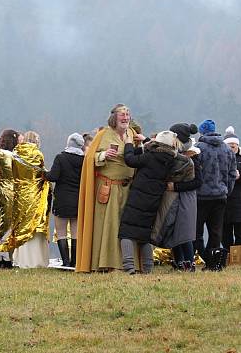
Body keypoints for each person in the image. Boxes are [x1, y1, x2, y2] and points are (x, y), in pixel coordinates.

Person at [76, 103, 142, 272]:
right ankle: (106, 263)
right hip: (109, 188)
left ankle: (128, 263)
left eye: (128, 115)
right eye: (122, 115)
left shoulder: (132, 134)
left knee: (127, 226)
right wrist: (103, 155)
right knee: (109, 226)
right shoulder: (103, 135)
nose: (126, 118)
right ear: (114, 117)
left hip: (128, 189)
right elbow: (90, 157)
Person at [118, 130, 178, 274]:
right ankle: (148, 268)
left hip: (138, 197)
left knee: (127, 232)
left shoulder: (151, 157)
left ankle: (129, 266)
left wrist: (128, 145)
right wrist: (146, 142)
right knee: (145, 235)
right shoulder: (171, 160)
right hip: (154, 200)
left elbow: (130, 160)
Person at [152, 124, 202, 271]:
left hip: (185, 198)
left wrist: (176, 186)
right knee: (172, 230)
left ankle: (188, 262)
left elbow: (197, 181)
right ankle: (179, 261)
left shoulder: (192, 156)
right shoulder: (172, 155)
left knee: (184, 232)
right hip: (173, 197)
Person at [195, 118, 237, 271]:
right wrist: (227, 190)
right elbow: (232, 174)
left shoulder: (198, 148)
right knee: (215, 232)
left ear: (202, 132)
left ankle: (203, 257)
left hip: (201, 197)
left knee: (196, 231)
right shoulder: (227, 149)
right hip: (220, 196)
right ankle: (213, 262)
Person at [4, 131, 50, 269]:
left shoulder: (15, 154)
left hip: (20, 194)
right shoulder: (37, 154)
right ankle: (37, 260)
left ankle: (21, 259)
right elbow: (42, 173)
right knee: (35, 227)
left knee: (22, 226)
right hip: (35, 194)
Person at [45, 132, 85, 268]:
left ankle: (65, 262)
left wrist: (44, 173)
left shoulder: (61, 158)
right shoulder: (84, 159)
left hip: (62, 199)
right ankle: (75, 261)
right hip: (78, 199)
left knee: (61, 232)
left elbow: (53, 176)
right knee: (75, 232)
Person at [0, 128, 19, 268]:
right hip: (8, 191)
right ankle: (3, 255)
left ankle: (4, 255)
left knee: (7, 222)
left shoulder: (0, 152)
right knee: (7, 222)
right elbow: (15, 170)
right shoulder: (6, 155)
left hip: (5, 190)